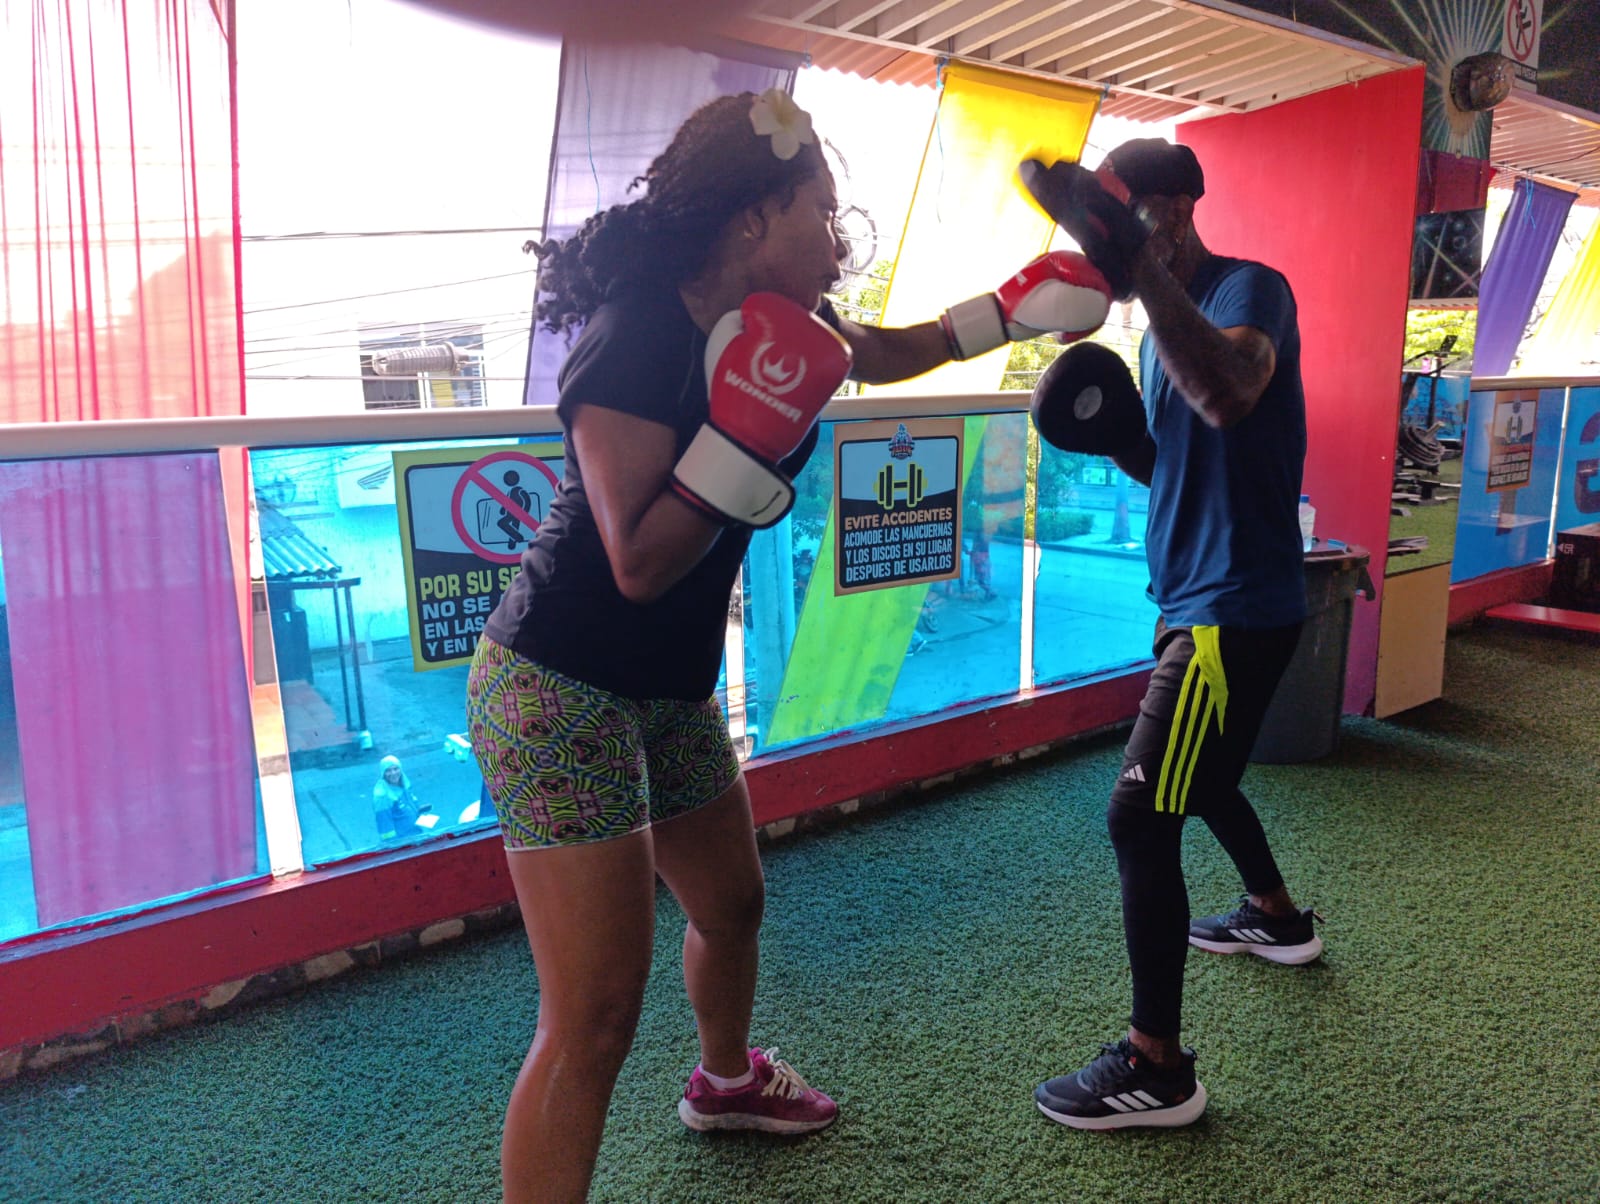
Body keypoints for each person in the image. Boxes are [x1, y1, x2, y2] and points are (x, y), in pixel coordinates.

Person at [465, 89, 1112, 1202]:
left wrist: (1010, 313)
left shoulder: (780, 324)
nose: (837, 237)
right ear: (753, 218)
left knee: (731, 903)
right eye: (820, 210)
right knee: (596, 1011)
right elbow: (637, 561)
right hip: (557, 682)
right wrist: (742, 439)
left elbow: (885, 349)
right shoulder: (636, 333)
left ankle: (724, 1082)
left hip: (667, 684)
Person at [1022, 139, 1320, 1130]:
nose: (1101, 251)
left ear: (1174, 210)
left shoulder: (1248, 291)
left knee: (1139, 817)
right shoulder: (1158, 341)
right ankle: (1276, 918)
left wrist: (1140, 267)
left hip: (1230, 610)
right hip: (1198, 598)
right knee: (1208, 777)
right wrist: (1120, 440)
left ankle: (1156, 1068)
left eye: (1115, 226)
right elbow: (1181, 463)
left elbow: (1233, 388)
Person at [372, 754, 430, 841]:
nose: (393, 773)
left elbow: (409, 805)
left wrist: (420, 810)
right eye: (388, 770)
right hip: (404, 841)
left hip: (417, 835)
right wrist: (395, 845)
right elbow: (385, 828)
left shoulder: (404, 784)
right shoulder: (382, 796)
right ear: (383, 773)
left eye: (396, 769)